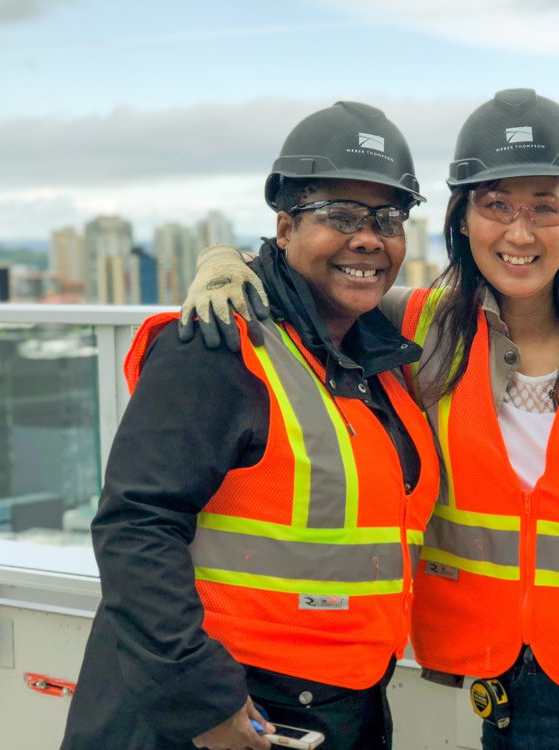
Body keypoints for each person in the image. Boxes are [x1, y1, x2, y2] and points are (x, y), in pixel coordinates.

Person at [180, 89, 559, 750]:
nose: (520, 232)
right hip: (520, 683)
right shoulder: (418, 327)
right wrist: (225, 263)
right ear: (462, 217)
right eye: (496, 204)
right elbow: (317, 280)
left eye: (545, 207)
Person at [61, 101, 441, 750]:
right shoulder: (216, 346)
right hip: (224, 713)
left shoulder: (373, 359)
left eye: (388, 218)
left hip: (339, 705)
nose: (370, 238)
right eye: (342, 216)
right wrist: (205, 706)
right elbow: (137, 527)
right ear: (286, 227)